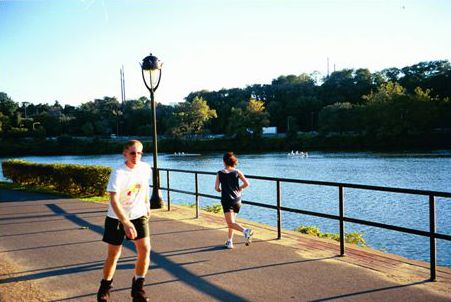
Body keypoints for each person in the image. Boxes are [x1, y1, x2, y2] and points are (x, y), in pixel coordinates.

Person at [97, 140, 151, 302]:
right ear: (125, 154)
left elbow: (145, 188)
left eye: (139, 153)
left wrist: (147, 204)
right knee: (114, 254)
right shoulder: (119, 173)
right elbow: (113, 200)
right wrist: (126, 222)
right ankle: (104, 288)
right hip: (117, 218)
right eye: (133, 153)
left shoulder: (145, 168)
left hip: (138, 214)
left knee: (145, 249)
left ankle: (138, 290)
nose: (136, 156)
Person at [215, 152, 253, 249]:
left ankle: (245, 231)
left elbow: (216, 188)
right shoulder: (237, 172)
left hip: (227, 200)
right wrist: (240, 188)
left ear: (224, 162)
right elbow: (247, 184)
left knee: (230, 223)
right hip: (237, 200)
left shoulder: (220, 173)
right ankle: (230, 241)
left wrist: (220, 190)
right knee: (232, 222)